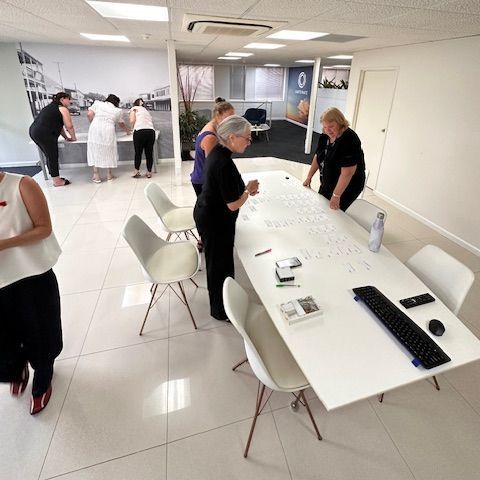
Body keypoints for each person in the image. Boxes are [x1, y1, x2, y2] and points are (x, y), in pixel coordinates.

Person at [0, 171, 62, 415]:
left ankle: (43, 374)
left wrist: (4, 244)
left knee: (40, 330)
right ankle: (16, 368)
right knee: (5, 335)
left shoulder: (22, 185)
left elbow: (44, 228)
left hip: (30, 274)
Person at [194, 116, 259, 321]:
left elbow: (226, 187)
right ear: (232, 137)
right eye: (247, 138)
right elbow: (232, 204)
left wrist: (243, 188)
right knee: (218, 266)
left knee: (221, 263)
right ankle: (220, 310)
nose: (249, 142)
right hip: (214, 220)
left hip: (209, 213)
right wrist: (247, 192)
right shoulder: (223, 162)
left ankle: (226, 301)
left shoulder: (219, 153)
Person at [303, 107, 366, 211]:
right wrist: (309, 177)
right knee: (322, 208)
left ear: (340, 122)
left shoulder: (349, 139)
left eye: (331, 126)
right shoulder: (325, 135)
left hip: (347, 186)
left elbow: (348, 172)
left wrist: (336, 195)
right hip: (328, 182)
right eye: (325, 127)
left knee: (336, 213)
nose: (328, 130)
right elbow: (318, 156)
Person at [29, 92, 77, 187]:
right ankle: (57, 181)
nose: (70, 101)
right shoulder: (63, 109)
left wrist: (67, 137)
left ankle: (54, 176)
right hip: (44, 133)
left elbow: (60, 126)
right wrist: (74, 138)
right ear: (62, 99)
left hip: (34, 131)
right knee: (52, 156)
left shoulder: (51, 107)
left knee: (49, 155)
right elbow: (69, 126)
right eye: (68, 99)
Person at [191, 97, 235, 197]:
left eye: (233, 118)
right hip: (203, 181)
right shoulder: (210, 137)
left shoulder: (213, 126)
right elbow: (213, 166)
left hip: (203, 178)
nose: (231, 122)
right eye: (228, 118)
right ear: (217, 115)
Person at [87, 94, 130, 183]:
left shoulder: (98, 103)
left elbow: (89, 114)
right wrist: (127, 131)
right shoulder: (118, 110)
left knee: (94, 149)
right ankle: (109, 175)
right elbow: (121, 124)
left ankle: (96, 175)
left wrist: (93, 123)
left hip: (95, 127)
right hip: (108, 129)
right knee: (109, 150)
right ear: (116, 102)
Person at [129, 98, 156, 179]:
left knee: (138, 152)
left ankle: (136, 171)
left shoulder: (134, 109)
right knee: (149, 153)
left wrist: (132, 128)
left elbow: (132, 120)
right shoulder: (146, 110)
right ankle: (149, 172)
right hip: (151, 132)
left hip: (139, 132)